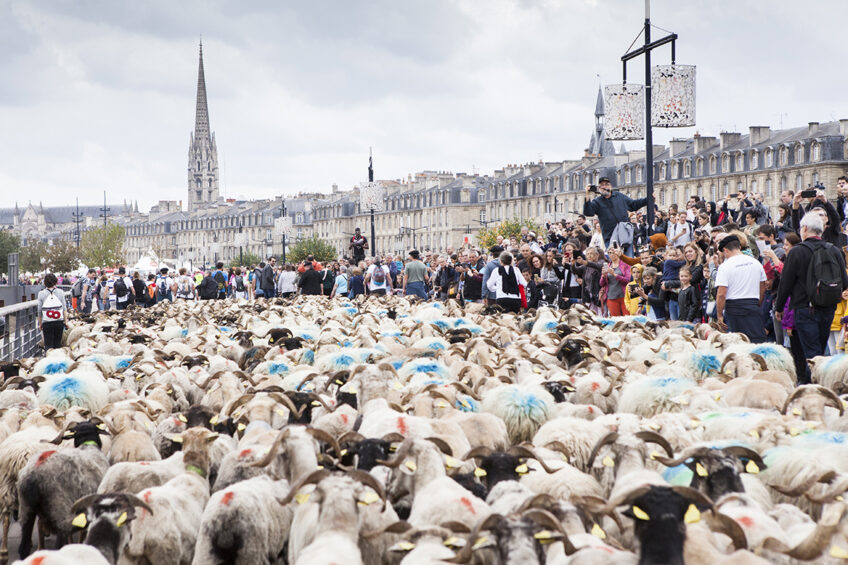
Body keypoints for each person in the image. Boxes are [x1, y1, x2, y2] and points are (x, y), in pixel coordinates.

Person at [775, 213, 848, 383]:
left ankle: (815, 388)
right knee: (820, 349)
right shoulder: (834, 250)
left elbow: (785, 283)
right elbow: (844, 282)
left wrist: (779, 308)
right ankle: (824, 383)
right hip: (829, 307)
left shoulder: (797, 251)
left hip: (805, 308)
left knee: (812, 354)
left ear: (805, 229)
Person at [715, 235, 767, 343]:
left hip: (734, 308)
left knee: (737, 343)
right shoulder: (755, 263)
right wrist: (757, 303)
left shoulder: (725, 266)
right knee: (756, 342)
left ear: (725, 250)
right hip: (753, 305)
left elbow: (721, 294)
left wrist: (719, 315)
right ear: (739, 246)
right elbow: (762, 286)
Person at [583, 177, 647, 249]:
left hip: (625, 235)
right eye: (602, 185)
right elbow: (588, 212)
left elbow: (633, 205)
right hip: (610, 237)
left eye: (607, 184)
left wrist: (647, 199)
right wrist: (587, 195)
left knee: (628, 259)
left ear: (610, 186)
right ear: (599, 188)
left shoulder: (619, 196)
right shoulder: (597, 201)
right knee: (615, 259)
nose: (604, 187)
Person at [600, 245, 631, 317]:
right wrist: (603, 276)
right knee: (615, 320)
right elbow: (601, 283)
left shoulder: (625, 265)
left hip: (624, 296)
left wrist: (614, 275)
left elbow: (627, 280)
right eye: (610, 253)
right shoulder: (607, 266)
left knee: (627, 318)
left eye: (614, 252)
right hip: (611, 297)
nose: (612, 254)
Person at [38, 273, 66, 350]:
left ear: (45, 283)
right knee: (58, 344)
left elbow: (39, 310)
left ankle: (48, 359)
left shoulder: (41, 293)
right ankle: (57, 359)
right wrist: (65, 321)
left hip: (47, 322)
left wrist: (40, 323)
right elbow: (64, 308)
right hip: (59, 321)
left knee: (48, 345)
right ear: (56, 281)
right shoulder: (60, 292)